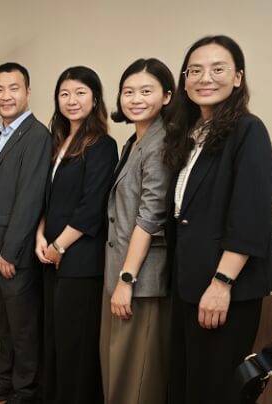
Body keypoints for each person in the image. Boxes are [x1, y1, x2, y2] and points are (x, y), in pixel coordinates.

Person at [164, 35, 272, 404]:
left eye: (218, 69)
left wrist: (221, 284)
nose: (205, 78)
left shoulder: (248, 130)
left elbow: (250, 215)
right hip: (189, 280)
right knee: (186, 384)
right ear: (185, 80)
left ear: (237, 77)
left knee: (215, 389)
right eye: (195, 71)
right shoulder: (191, 135)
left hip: (225, 286)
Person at [35, 66, 117, 404]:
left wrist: (58, 246)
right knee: (53, 338)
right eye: (65, 93)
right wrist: (41, 236)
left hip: (80, 259)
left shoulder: (103, 145)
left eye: (81, 93)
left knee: (76, 343)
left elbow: (91, 206)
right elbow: (47, 198)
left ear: (95, 99)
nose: (72, 100)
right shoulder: (57, 142)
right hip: (50, 255)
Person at [99, 59, 175, 404]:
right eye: (128, 91)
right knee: (117, 367)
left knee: (137, 377)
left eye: (146, 91)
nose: (135, 99)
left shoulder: (161, 144)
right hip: (119, 270)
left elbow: (150, 216)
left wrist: (126, 280)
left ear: (167, 96)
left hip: (140, 280)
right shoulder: (134, 141)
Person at [0, 63, 51, 404]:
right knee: (4, 326)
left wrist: (11, 250)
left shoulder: (36, 136)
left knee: (22, 329)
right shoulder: (3, 133)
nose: (6, 96)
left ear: (28, 92)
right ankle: (6, 381)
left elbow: (30, 198)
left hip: (12, 253)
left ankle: (25, 391)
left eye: (13, 88)